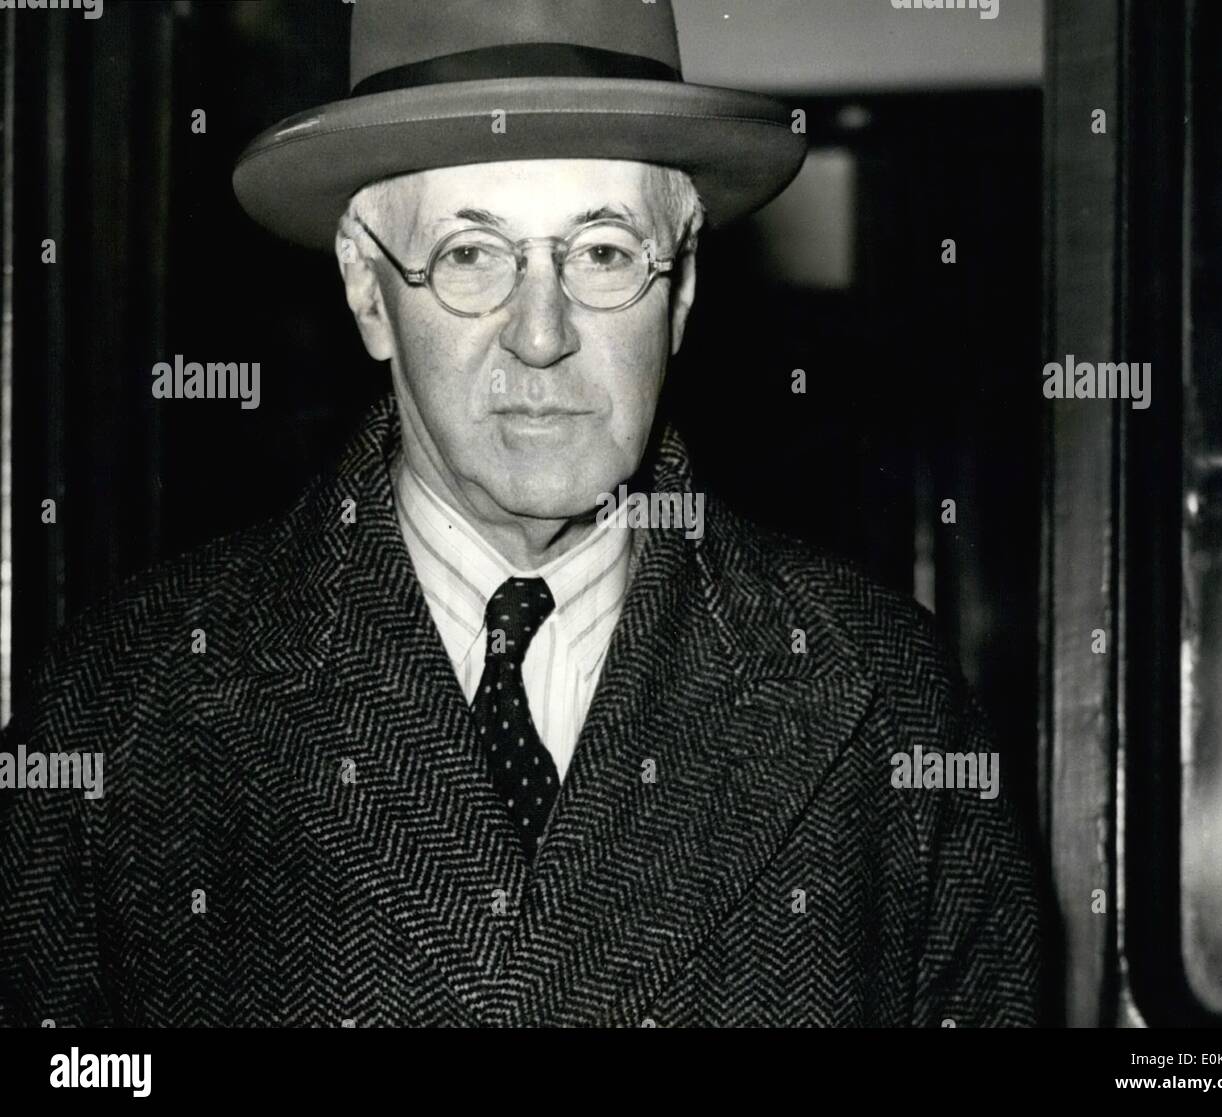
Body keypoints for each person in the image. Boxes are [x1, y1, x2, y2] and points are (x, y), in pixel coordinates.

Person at [0, 0, 1040, 1027]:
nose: (540, 335)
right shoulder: (124, 707)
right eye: (469, 255)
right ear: (368, 291)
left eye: (601, 253)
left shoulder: (885, 701)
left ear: (677, 294)